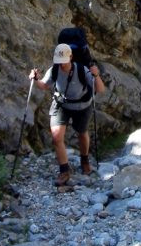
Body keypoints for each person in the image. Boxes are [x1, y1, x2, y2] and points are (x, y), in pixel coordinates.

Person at [29, 43, 105, 186]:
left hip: (82, 106)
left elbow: (100, 89)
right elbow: (45, 86)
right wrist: (35, 79)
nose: (61, 64)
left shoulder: (82, 70)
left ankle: (85, 161)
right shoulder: (54, 70)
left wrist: (96, 75)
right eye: (59, 61)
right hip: (62, 105)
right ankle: (64, 171)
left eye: (64, 61)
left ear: (71, 57)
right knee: (57, 137)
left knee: (82, 133)